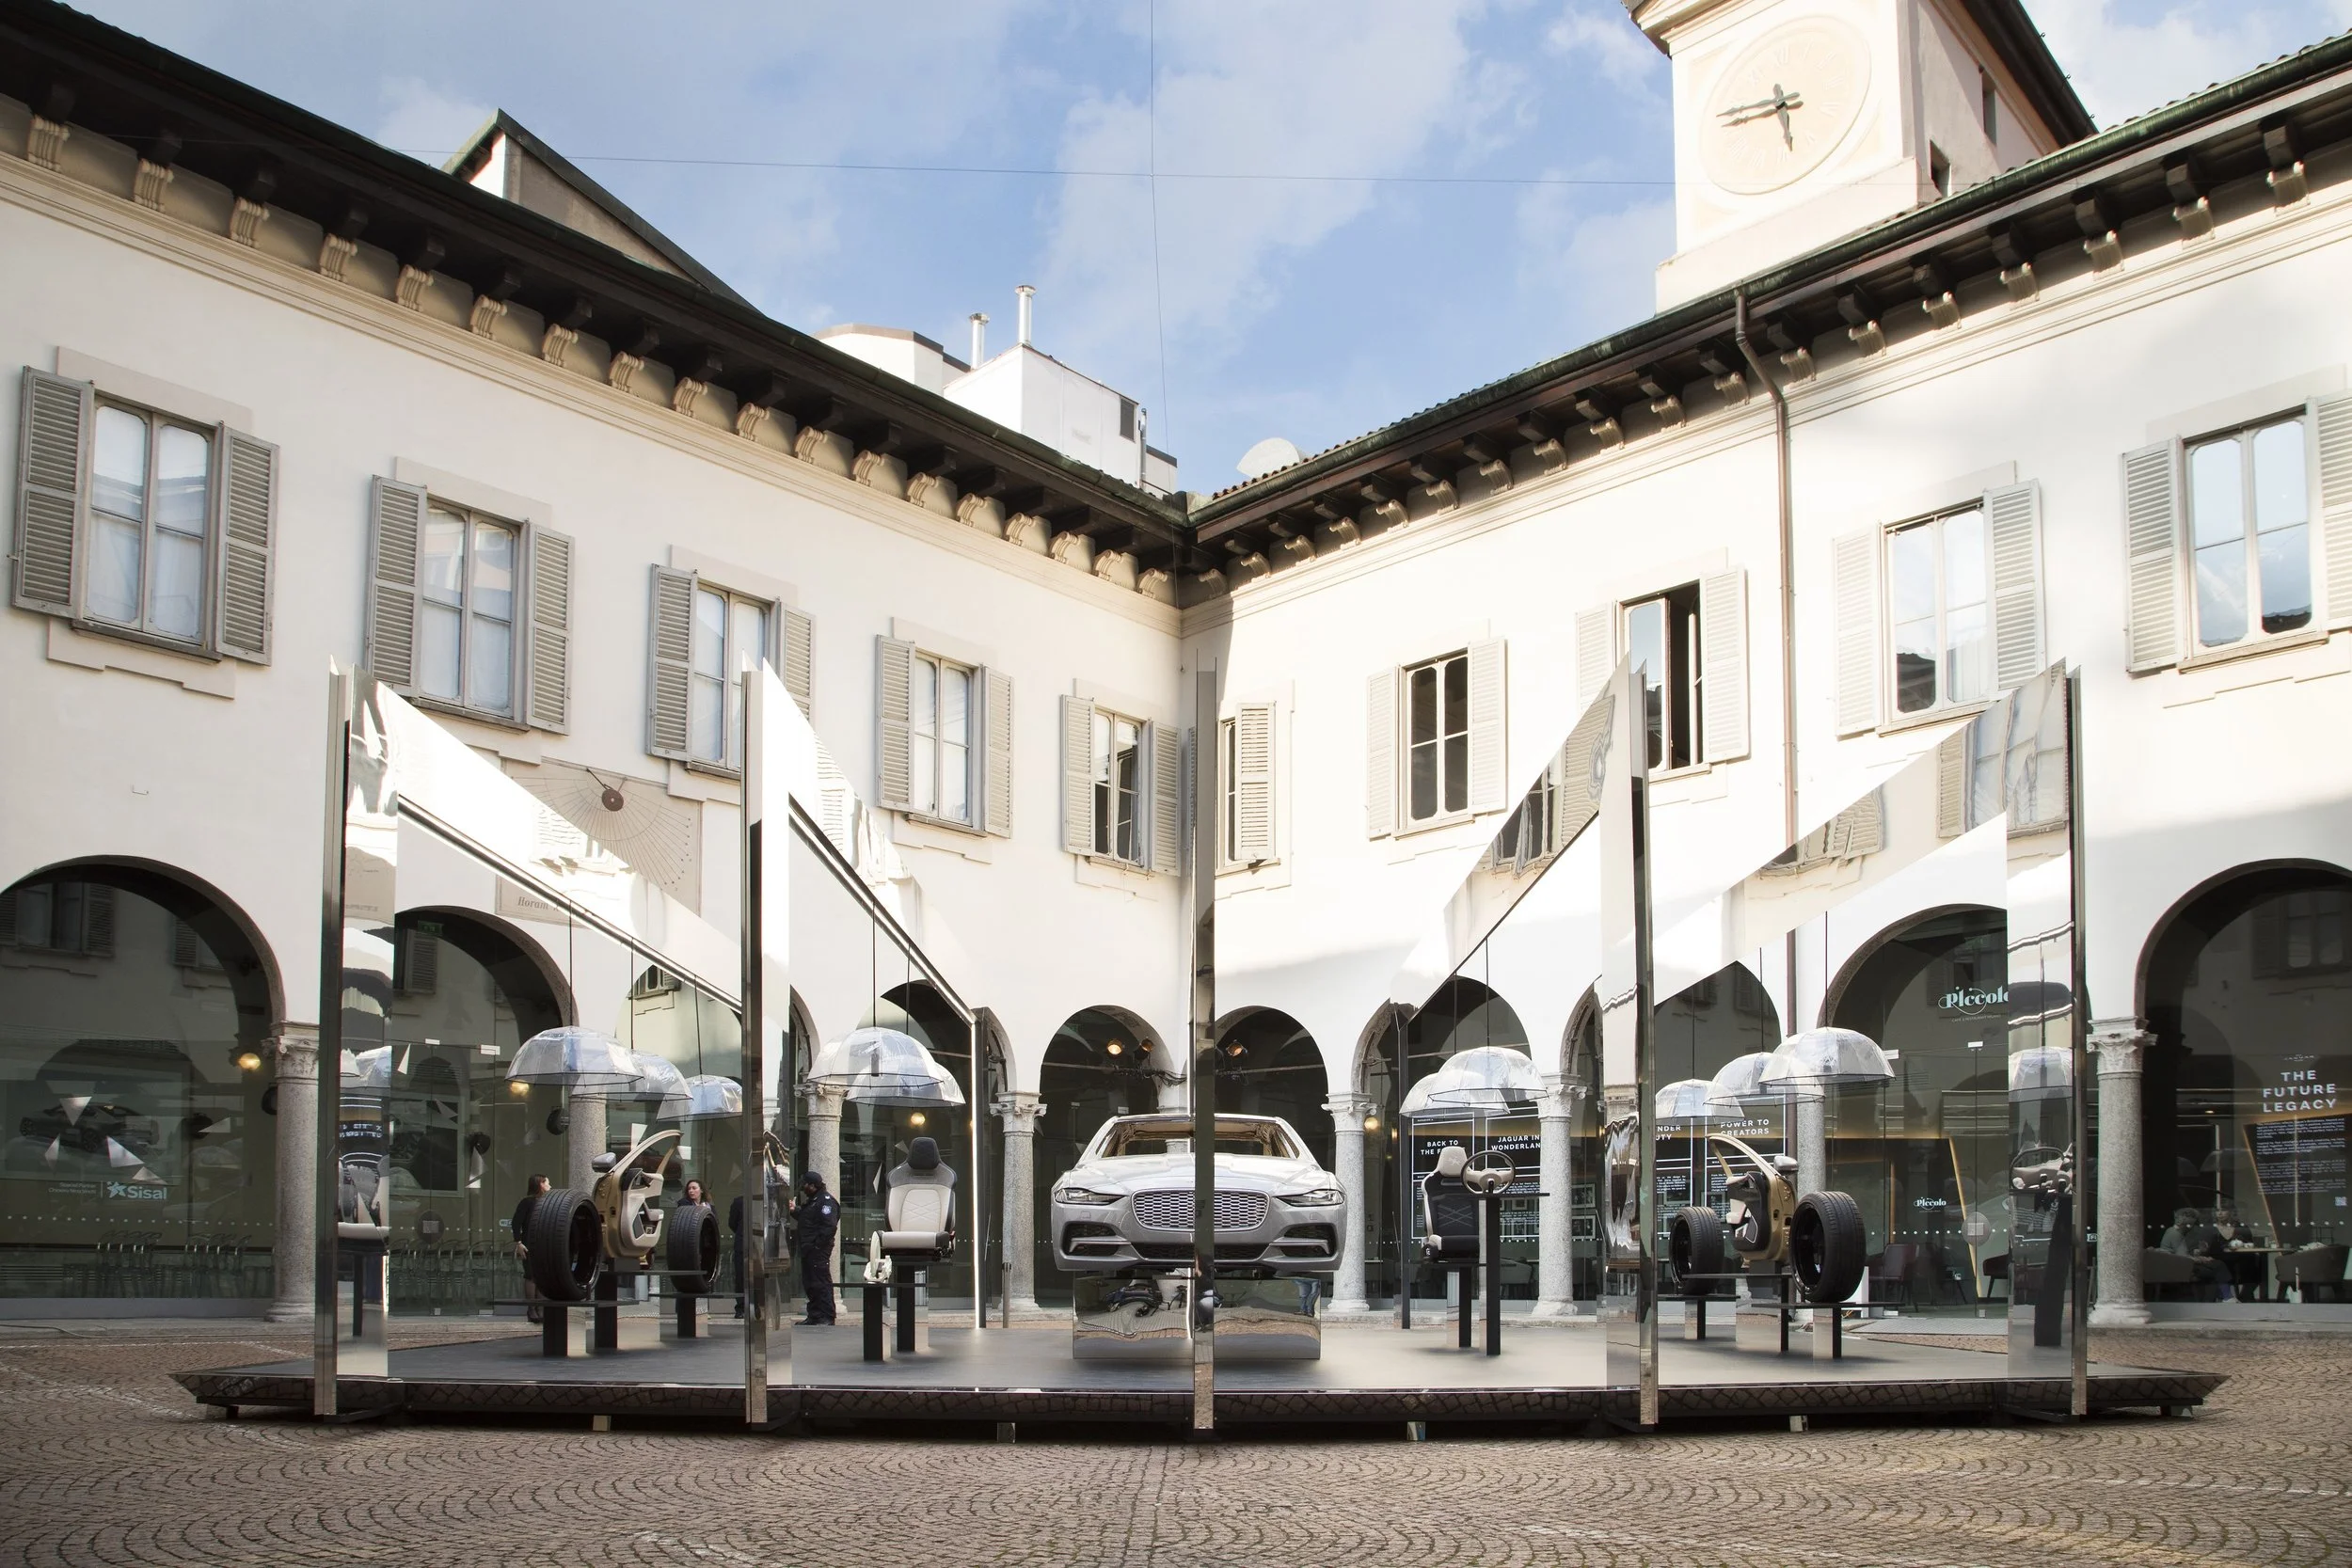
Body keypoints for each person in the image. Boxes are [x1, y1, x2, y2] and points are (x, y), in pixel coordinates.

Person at [791, 1168, 841, 1325]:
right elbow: (808, 1219)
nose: (803, 1188)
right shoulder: (813, 1201)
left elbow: (829, 1226)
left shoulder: (825, 1201)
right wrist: (794, 1210)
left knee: (821, 1282)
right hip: (809, 1248)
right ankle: (815, 1315)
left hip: (817, 1250)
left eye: (805, 1185)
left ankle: (826, 1316)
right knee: (811, 1282)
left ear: (812, 1185)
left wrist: (817, 1246)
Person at [2160, 1206, 2229, 1300]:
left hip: (2178, 1265)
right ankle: (2225, 1296)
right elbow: (2183, 1258)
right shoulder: (2176, 1235)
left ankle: (2222, 1296)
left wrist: (2199, 1254)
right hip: (2180, 1269)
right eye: (2190, 1224)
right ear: (2185, 1220)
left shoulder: (2171, 1231)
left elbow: (2181, 1254)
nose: (2191, 1228)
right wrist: (2202, 1259)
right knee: (2217, 1266)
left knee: (2215, 1266)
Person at [512, 1174, 550, 1323]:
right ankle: (532, 1309)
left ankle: (540, 1308)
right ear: (541, 1184)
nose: (550, 1186)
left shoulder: (547, 1202)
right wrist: (518, 1242)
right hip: (529, 1243)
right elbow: (516, 1223)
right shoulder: (527, 1203)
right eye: (547, 1183)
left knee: (541, 1276)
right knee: (531, 1275)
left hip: (544, 1243)